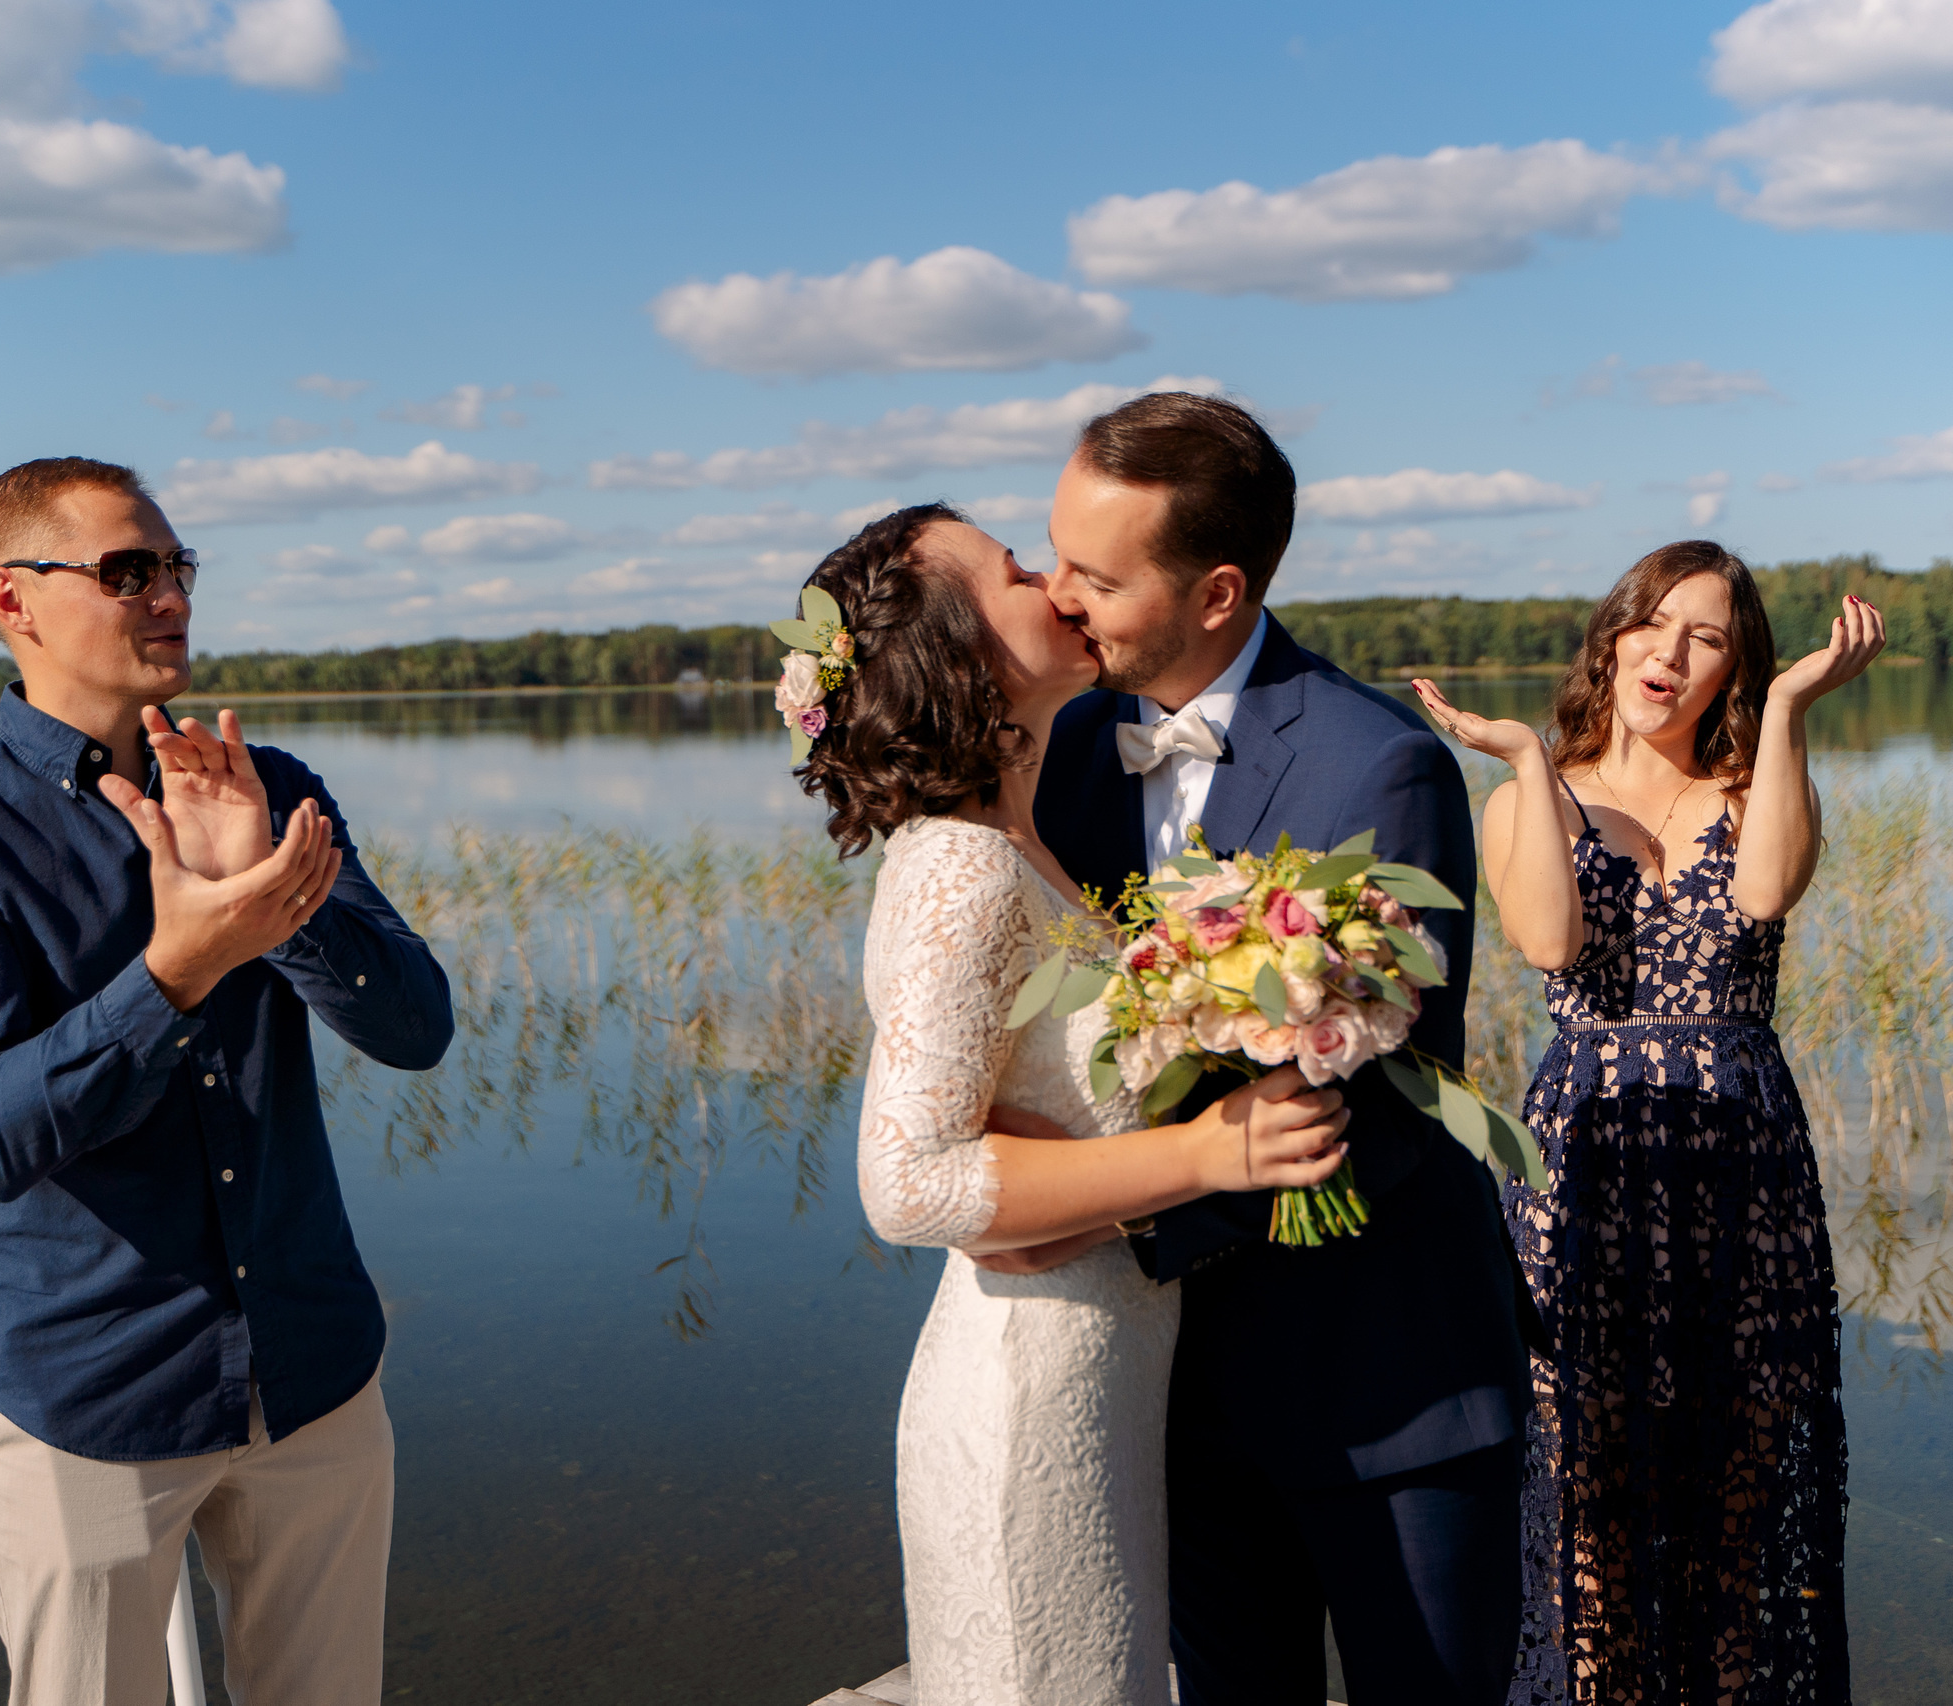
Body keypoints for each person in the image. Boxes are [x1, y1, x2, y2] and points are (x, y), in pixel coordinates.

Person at [0, 457, 453, 1706]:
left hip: (312, 1366)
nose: (170, 593)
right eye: (129, 570)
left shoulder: (270, 786)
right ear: (13, 598)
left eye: (178, 565)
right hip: (89, 1388)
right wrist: (176, 969)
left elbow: (415, 1026)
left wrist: (277, 909)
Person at [791, 501, 1353, 1706]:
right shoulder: (961, 868)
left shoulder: (1020, 840)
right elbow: (910, 1180)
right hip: (1024, 1401)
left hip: (1091, 1381)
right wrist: (1210, 1156)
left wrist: (1096, 1199)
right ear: (960, 649)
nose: (1053, 581)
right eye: (1010, 573)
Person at [1033, 393, 1538, 1706]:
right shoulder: (1068, 751)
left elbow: (1377, 1110)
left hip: (1391, 1384)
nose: (1057, 596)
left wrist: (1100, 1216)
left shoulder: (1382, 765)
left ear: (1216, 592)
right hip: (1181, 1397)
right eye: (1052, 555)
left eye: (1095, 573)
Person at [1411, 543, 1881, 1705]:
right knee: (1589, 1481)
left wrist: (1787, 708)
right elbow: (1548, 945)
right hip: (1587, 1153)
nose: (1670, 654)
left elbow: (1764, 890)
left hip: (1741, 1159)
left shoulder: (1756, 781)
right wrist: (1526, 758)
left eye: (1709, 638)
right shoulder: (1528, 792)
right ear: (1612, 634)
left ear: (1734, 666)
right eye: (1653, 624)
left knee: (1739, 1486)